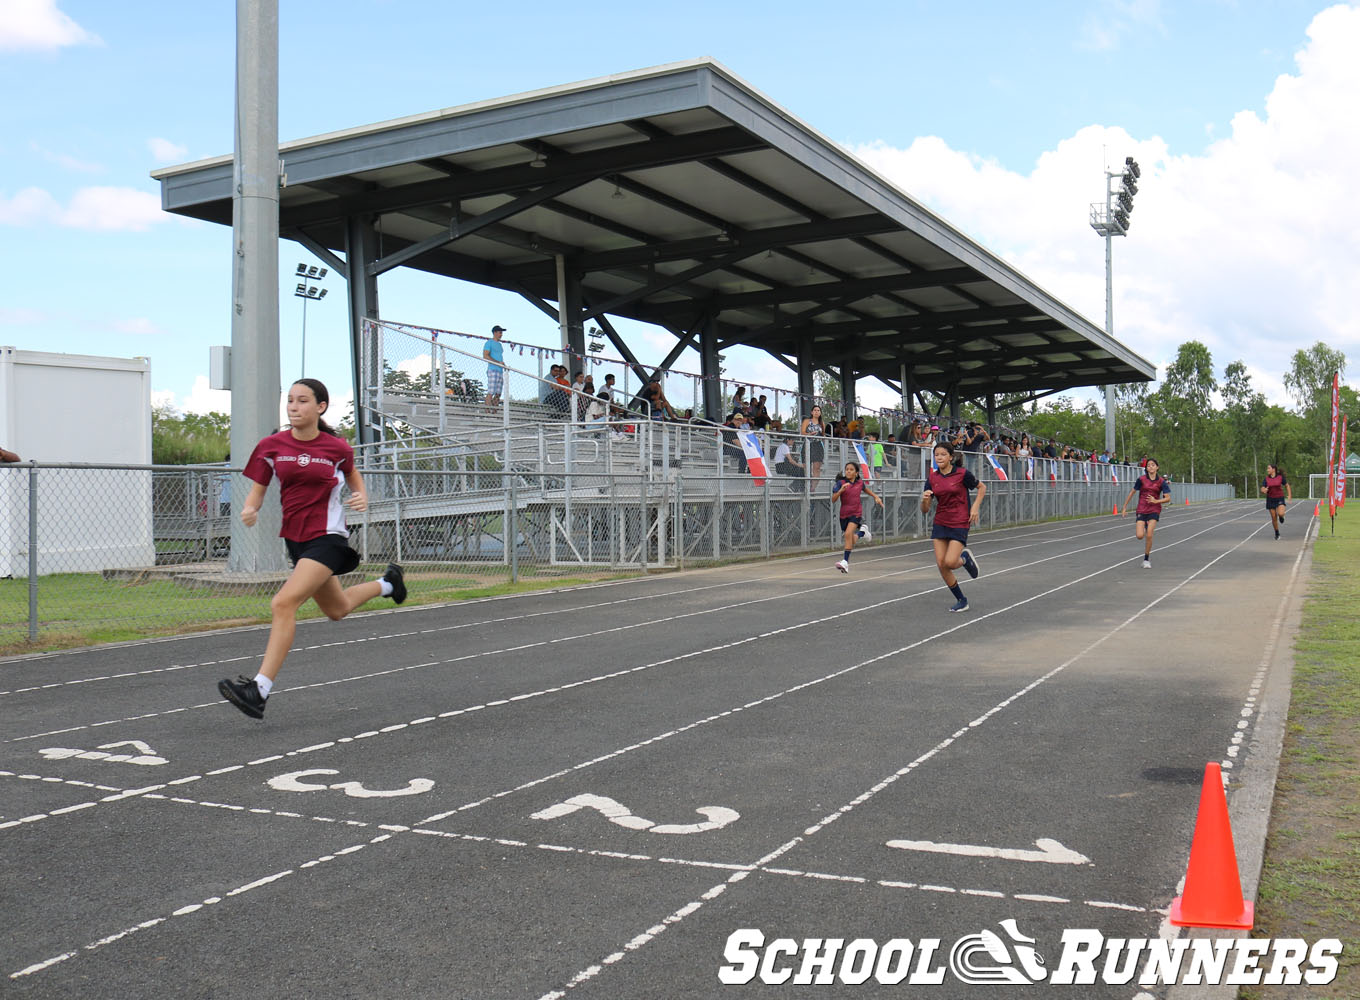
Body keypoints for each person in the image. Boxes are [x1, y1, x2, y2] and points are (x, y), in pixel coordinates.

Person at [217, 379, 406, 720]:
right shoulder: (271, 445)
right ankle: (389, 583)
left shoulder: (336, 448)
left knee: (283, 602)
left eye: (302, 401)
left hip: (328, 537)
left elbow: (352, 475)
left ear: (320, 407)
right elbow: (259, 486)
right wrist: (250, 507)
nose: (293, 406)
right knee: (338, 608)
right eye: (290, 400)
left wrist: (360, 494)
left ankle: (258, 690)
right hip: (297, 540)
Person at [920, 441, 986, 612]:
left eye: (943, 454)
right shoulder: (932, 478)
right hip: (941, 521)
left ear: (950, 457)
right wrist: (925, 500)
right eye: (936, 455)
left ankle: (964, 559)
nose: (939, 458)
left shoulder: (962, 474)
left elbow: (981, 487)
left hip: (960, 520)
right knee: (941, 565)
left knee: (950, 561)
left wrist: (975, 507)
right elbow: (925, 510)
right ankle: (962, 600)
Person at [832, 461, 883, 573]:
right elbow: (833, 499)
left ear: (856, 473)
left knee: (848, 534)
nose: (848, 471)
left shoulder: (859, 483)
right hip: (844, 514)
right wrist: (841, 491)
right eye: (847, 469)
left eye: (851, 470)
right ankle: (862, 533)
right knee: (850, 539)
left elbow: (866, 489)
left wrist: (876, 496)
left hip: (856, 513)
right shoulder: (840, 483)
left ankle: (845, 562)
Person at [1121, 457, 1170, 568]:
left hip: (1154, 509)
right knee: (1139, 535)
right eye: (1148, 465)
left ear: (1157, 467)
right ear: (1146, 468)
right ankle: (1145, 524)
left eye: (1153, 465)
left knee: (1149, 535)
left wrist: (1156, 501)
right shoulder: (1141, 479)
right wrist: (1124, 507)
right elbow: (1132, 492)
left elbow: (1167, 498)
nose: (1150, 467)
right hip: (1142, 508)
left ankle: (1146, 559)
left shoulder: (1161, 482)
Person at [1260, 463, 1292, 539]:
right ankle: (1277, 533)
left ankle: (1282, 517)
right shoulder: (1266, 479)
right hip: (1270, 499)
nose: (1267, 470)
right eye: (1267, 468)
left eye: (1269, 468)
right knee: (1274, 517)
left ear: (1273, 469)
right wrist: (1263, 490)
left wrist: (1289, 495)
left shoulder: (1280, 477)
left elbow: (1287, 485)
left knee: (1280, 513)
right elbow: (1262, 488)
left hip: (1279, 498)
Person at [799, 404, 826, 487]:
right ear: (812, 412)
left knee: (816, 468)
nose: (816, 412)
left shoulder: (822, 423)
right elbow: (802, 432)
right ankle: (806, 486)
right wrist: (810, 434)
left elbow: (823, 435)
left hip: (818, 446)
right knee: (806, 467)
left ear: (820, 413)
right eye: (815, 410)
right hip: (808, 444)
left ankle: (813, 488)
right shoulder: (807, 421)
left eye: (818, 410)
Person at [482, 324, 506, 411]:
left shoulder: (499, 345)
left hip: (500, 370)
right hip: (493, 369)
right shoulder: (489, 343)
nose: (501, 334)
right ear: (495, 333)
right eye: (500, 332)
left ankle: (494, 411)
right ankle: (487, 411)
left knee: (498, 393)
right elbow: (485, 355)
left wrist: (502, 364)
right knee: (491, 391)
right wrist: (497, 362)